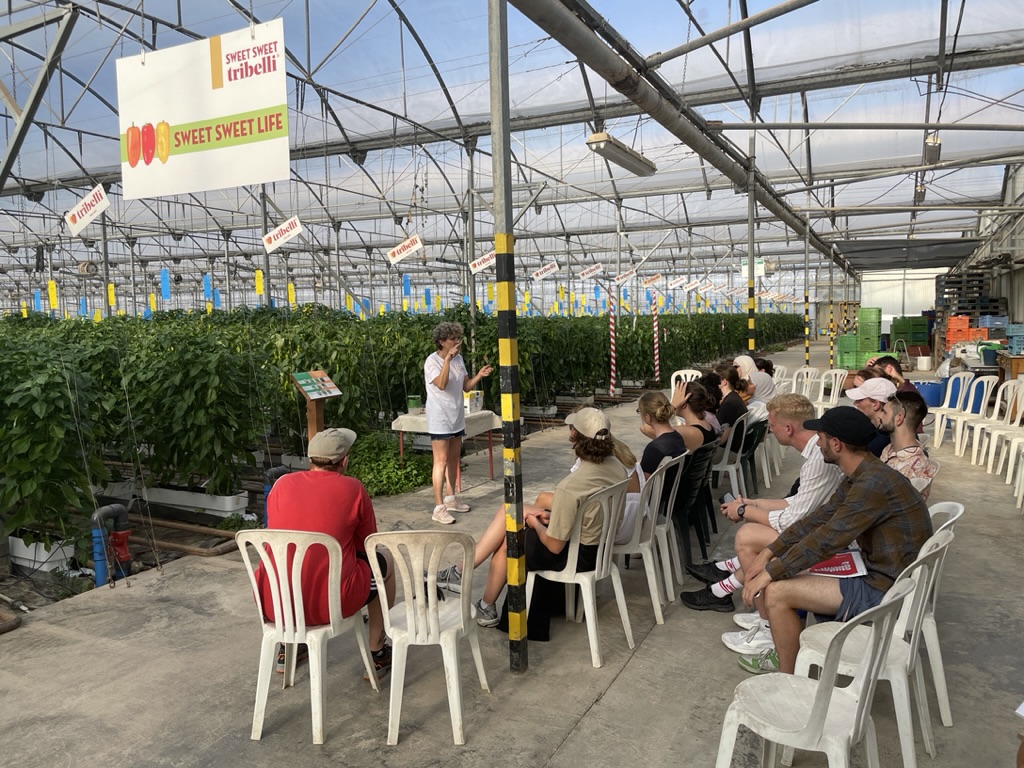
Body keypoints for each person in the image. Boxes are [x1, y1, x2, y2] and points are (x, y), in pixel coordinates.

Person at [737, 406, 933, 675]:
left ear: (836, 444)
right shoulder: (865, 473)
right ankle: (791, 657)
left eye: (821, 437)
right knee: (788, 572)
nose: (817, 443)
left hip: (887, 589)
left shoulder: (872, 484)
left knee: (777, 591)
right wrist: (770, 552)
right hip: (884, 574)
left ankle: (787, 676)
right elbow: (820, 518)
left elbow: (828, 539)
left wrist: (770, 572)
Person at [443, 407, 627, 629]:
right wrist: (547, 517)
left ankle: (481, 598)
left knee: (510, 539)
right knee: (510, 511)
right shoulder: (616, 467)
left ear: (575, 436)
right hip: (599, 547)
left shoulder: (571, 487)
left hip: (576, 555)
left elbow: (554, 546)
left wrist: (535, 524)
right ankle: (471, 584)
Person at [680, 394, 844, 618]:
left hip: (827, 544)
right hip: (823, 532)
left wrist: (744, 510)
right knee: (753, 531)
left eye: (772, 424)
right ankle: (726, 588)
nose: (770, 430)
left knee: (748, 536)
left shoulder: (818, 461)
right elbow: (797, 502)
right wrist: (752, 503)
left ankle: (766, 622)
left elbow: (790, 521)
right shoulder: (816, 455)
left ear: (788, 428)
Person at [256, 428, 396, 678]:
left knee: (292, 560)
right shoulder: (353, 488)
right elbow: (368, 547)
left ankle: (290, 646)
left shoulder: (281, 484)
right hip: (329, 604)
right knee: (384, 561)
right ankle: (377, 652)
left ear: (310, 460)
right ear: (344, 461)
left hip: (273, 603)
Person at [424, 321, 493, 524]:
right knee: (441, 460)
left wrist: (479, 375)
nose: (457, 342)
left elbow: (466, 387)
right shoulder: (432, 362)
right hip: (440, 417)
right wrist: (447, 361)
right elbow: (442, 384)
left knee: (454, 460)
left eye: (457, 337)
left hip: (456, 415)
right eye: (453, 338)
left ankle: (451, 497)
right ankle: (438, 507)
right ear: (441, 341)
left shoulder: (459, 359)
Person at [876, 391, 939, 498]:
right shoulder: (891, 448)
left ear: (899, 418)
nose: (880, 416)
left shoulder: (909, 468)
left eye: (884, 412)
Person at [846, 376, 896, 457]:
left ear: (875, 404)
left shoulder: (881, 441)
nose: (855, 403)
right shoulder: (879, 431)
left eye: (859, 400)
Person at [669, 380, 720, 451]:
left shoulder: (688, 432)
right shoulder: (706, 425)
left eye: (675, 398)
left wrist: (672, 406)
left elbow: (650, 425)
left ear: (683, 404)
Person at [713, 364, 749, 454]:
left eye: (713, 379)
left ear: (724, 382)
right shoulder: (734, 398)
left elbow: (721, 440)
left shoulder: (729, 404)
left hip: (727, 452)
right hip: (734, 449)